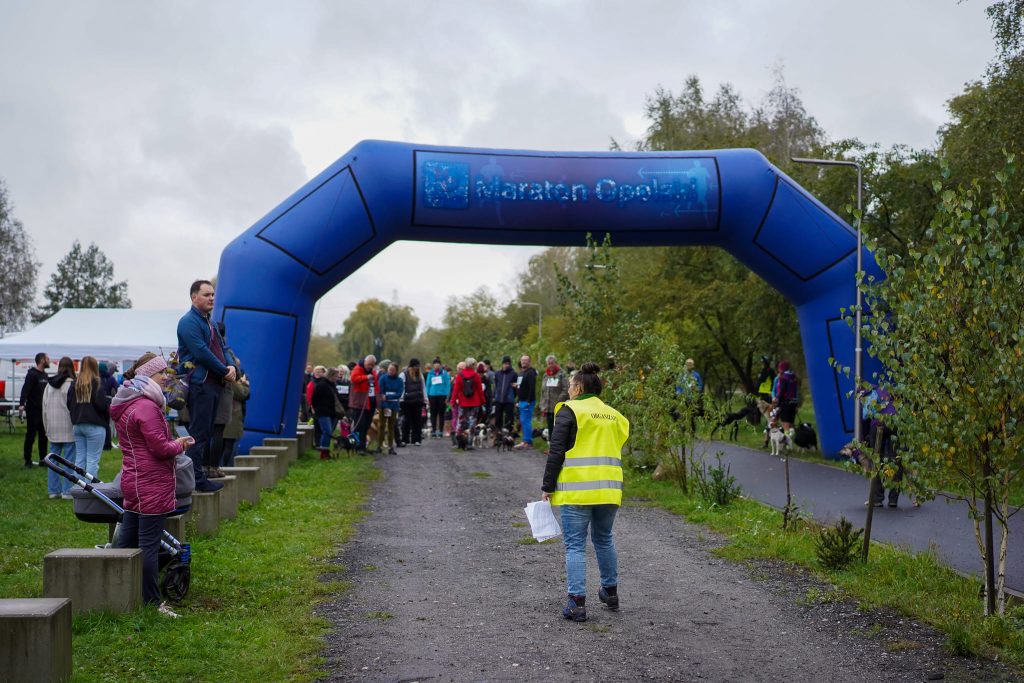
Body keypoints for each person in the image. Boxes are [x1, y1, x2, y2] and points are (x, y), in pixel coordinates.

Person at [541, 362, 630, 622]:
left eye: (570, 385)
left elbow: (556, 451)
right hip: (609, 490)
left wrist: (547, 486)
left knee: (575, 546)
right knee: (604, 539)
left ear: (578, 387)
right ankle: (610, 592)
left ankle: (577, 603)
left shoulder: (570, 411)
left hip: (577, 491)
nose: (567, 389)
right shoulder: (615, 415)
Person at [111, 352, 195, 618]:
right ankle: (152, 602)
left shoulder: (127, 402)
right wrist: (180, 444)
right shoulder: (147, 407)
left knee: (126, 542)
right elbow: (159, 448)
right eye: (161, 374)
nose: (165, 378)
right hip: (151, 482)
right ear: (149, 375)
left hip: (134, 480)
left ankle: (114, 591)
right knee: (148, 544)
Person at [177, 279, 239, 493]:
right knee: (199, 434)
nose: (211, 298)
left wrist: (232, 366)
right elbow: (201, 352)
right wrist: (224, 370)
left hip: (214, 384)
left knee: (207, 432)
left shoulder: (210, 322)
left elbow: (224, 346)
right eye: (206, 294)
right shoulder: (188, 322)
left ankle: (197, 476)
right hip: (200, 384)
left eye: (213, 294)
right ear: (194, 297)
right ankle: (195, 479)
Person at [67, 356, 110, 478]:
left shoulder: (75, 383)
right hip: (95, 425)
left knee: (80, 460)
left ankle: (78, 489)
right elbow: (102, 406)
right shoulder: (97, 383)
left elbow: (68, 403)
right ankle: (90, 491)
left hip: (78, 425)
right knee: (92, 460)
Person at [42, 357, 76, 499]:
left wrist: (46, 427)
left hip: (53, 426)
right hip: (68, 426)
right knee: (69, 460)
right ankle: (67, 491)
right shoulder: (71, 385)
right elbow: (74, 408)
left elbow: (44, 408)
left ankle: (53, 490)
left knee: (53, 461)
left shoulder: (49, 385)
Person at [18, 352, 50, 467]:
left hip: (44, 411)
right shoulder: (32, 374)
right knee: (31, 435)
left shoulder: (45, 376)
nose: (49, 361)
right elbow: (25, 389)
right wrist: (22, 404)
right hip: (33, 410)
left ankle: (43, 459)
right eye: (47, 359)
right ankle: (28, 460)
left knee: (43, 436)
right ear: (42, 360)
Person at [452, 357, 484, 449]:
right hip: (475, 402)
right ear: (473, 365)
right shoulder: (476, 376)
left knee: (461, 421)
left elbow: (456, 390)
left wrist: (453, 400)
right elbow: (480, 390)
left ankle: (458, 441)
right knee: (472, 422)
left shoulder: (460, 375)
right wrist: (483, 401)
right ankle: (469, 443)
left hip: (463, 402)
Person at [348, 355, 378, 451]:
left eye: (372, 365)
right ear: (365, 362)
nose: (370, 366)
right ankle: (357, 446)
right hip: (360, 402)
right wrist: (365, 377)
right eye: (369, 364)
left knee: (366, 425)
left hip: (371, 403)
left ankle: (362, 445)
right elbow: (353, 379)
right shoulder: (357, 368)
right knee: (359, 424)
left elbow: (377, 386)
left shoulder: (373, 372)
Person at [220, 372, 250, 467]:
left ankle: (223, 466)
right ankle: (226, 467)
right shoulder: (231, 381)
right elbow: (243, 394)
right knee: (229, 446)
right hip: (231, 418)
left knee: (226, 445)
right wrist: (244, 384)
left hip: (228, 418)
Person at [312, 367, 341, 459]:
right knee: (327, 431)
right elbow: (314, 399)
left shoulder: (332, 385)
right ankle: (323, 452)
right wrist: (317, 409)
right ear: (331, 375)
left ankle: (326, 451)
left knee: (329, 432)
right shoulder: (321, 385)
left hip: (331, 412)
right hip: (322, 412)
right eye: (336, 376)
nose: (337, 378)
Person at [540, 354, 569, 444]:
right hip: (548, 407)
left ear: (555, 363)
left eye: (552, 363)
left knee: (558, 427)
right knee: (550, 427)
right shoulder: (545, 375)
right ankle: (552, 446)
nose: (550, 365)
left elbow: (566, 389)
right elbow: (543, 391)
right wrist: (542, 405)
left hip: (558, 406)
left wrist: (559, 400)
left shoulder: (561, 374)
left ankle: (558, 445)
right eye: (548, 363)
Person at [378, 362, 405, 455]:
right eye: (389, 369)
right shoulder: (383, 378)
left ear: (396, 371)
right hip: (384, 406)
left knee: (391, 426)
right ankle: (379, 445)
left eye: (392, 370)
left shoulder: (399, 381)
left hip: (393, 406)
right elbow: (381, 392)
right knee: (381, 425)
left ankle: (390, 447)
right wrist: (384, 405)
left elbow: (399, 393)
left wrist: (388, 397)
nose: (390, 371)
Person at [400, 359, 426, 446]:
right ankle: (405, 439)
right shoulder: (403, 374)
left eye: (418, 367)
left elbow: (423, 387)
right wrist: (401, 398)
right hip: (407, 401)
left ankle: (416, 439)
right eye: (415, 367)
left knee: (417, 421)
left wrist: (425, 399)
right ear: (411, 366)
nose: (416, 369)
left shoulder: (420, 375)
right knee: (406, 421)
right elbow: (401, 387)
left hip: (418, 400)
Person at [515, 355, 538, 449]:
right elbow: (519, 387)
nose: (524, 362)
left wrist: (528, 401)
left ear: (529, 362)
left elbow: (532, 388)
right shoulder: (521, 373)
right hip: (521, 400)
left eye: (526, 360)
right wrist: (517, 400)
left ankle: (528, 441)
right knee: (523, 421)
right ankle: (524, 440)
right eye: (522, 360)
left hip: (528, 401)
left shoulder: (531, 373)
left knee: (526, 421)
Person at [425, 357, 451, 438]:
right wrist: (427, 396)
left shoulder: (444, 373)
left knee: (441, 414)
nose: (436, 366)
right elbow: (427, 385)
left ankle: (440, 431)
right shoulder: (430, 373)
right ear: (433, 366)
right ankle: (433, 430)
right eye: (435, 365)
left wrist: (447, 396)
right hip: (432, 395)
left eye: (438, 365)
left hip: (442, 395)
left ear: (440, 365)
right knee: (433, 413)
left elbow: (448, 385)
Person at [492, 355, 518, 434]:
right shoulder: (497, 373)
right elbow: (495, 385)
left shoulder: (513, 374)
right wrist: (495, 396)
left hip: (509, 400)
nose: (506, 365)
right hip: (499, 399)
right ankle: (498, 436)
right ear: (502, 364)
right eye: (505, 363)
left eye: (508, 363)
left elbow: (516, 387)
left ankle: (509, 436)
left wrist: (512, 395)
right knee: (498, 418)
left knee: (509, 419)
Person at [772, 360, 800, 433]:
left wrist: (778, 405)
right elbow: (795, 392)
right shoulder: (793, 377)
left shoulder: (783, 378)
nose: (778, 369)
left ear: (781, 368)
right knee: (791, 425)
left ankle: (788, 443)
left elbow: (782, 392)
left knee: (785, 426)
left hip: (785, 403)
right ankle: (790, 441)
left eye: (779, 368)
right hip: (793, 403)